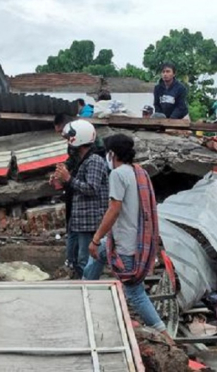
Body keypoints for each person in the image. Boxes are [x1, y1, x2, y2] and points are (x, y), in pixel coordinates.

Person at [82, 133, 174, 345]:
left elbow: (114, 209)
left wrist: (96, 237)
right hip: (132, 240)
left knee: (135, 293)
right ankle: (87, 293)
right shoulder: (139, 172)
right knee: (96, 257)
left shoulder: (117, 175)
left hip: (126, 244)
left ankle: (165, 335)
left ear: (112, 153)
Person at [54, 120, 109, 278]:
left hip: (89, 220)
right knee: (77, 258)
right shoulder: (81, 160)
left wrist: (68, 178)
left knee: (85, 259)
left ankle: (89, 287)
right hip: (80, 219)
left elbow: (92, 188)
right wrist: (61, 180)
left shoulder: (94, 161)